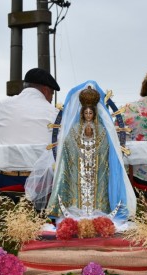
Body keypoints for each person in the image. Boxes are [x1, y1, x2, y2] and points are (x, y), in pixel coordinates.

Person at [42, 81, 136, 219]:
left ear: (94, 113)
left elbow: (106, 148)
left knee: (98, 188)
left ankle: (100, 212)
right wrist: (78, 145)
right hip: (78, 169)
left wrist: (96, 147)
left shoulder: (102, 130)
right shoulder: (74, 129)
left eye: (90, 112)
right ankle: (74, 211)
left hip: (97, 170)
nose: (88, 115)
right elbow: (68, 146)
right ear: (82, 113)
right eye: (85, 112)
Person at [0, 67, 60, 191]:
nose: (51, 99)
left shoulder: (4, 105)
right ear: (45, 90)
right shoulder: (54, 113)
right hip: (42, 184)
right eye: (52, 94)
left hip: (5, 182)